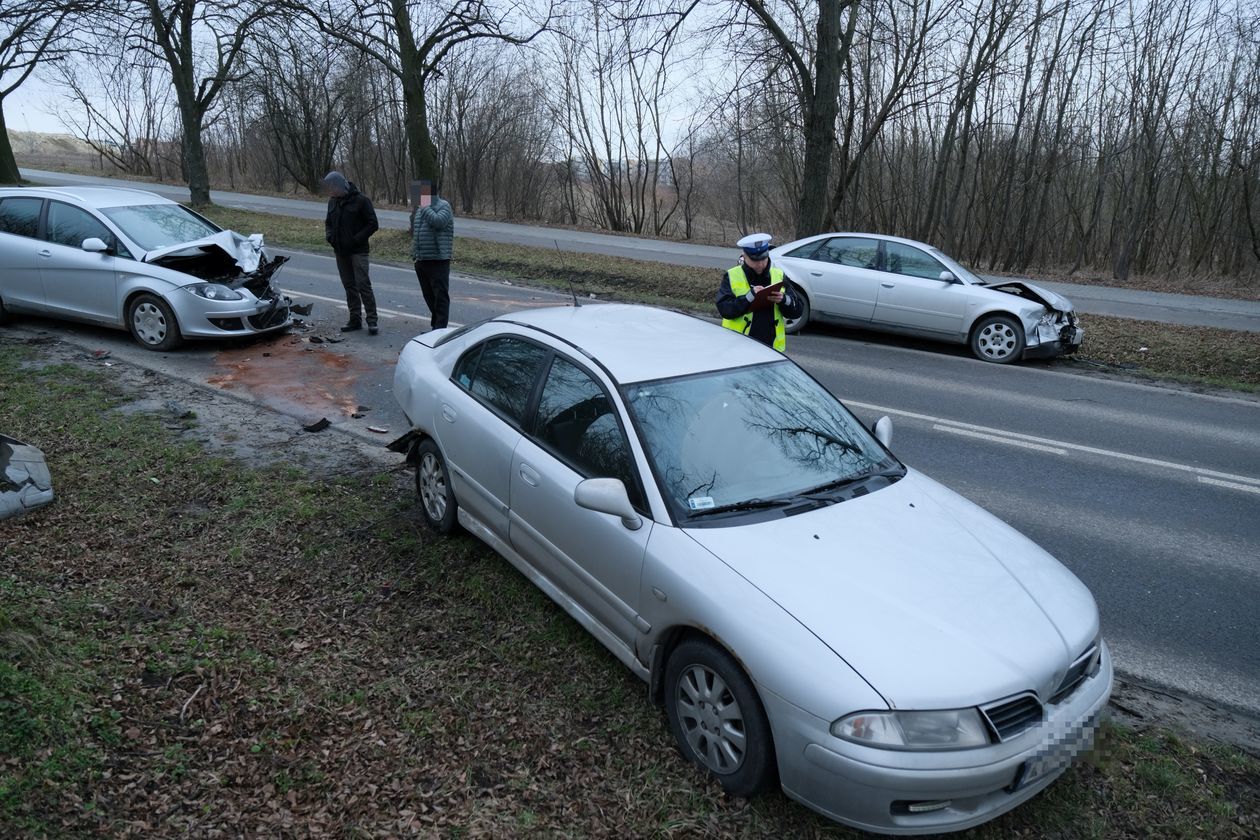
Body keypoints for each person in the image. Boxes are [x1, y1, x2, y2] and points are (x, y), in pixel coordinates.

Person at [715, 232, 803, 352]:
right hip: (738, 347)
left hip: (771, 347)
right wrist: (748, 297)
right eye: (755, 260)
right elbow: (725, 309)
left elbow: (798, 310)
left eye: (764, 258)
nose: (760, 264)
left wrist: (783, 300)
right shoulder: (731, 276)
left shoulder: (779, 275)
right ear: (744, 256)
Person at [322, 171, 380, 334]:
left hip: (358, 251)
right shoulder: (332, 202)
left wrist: (356, 239)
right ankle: (354, 320)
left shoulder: (361, 201)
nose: (330, 191)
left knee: (363, 285)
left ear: (341, 185)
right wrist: (330, 237)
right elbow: (328, 223)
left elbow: (373, 224)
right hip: (340, 252)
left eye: (332, 187)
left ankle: (372, 320)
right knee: (349, 287)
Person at [410, 180, 454, 330]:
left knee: (440, 297)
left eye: (418, 193)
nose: (415, 196)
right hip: (422, 260)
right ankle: (436, 327)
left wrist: (424, 207)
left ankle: (440, 330)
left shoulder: (444, 206)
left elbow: (438, 222)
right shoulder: (421, 209)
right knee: (429, 296)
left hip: (438, 260)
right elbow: (417, 233)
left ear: (427, 193)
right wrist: (414, 253)